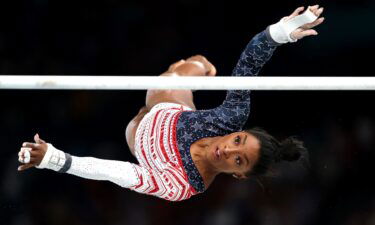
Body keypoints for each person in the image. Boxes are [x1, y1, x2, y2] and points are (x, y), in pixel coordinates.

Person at [18, 5, 325, 201]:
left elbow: (118, 173)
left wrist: (55, 159)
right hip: (168, 104)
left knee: (174, 81)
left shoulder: (181, 185)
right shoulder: (233, 116)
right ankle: (200, 66)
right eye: (238, 141)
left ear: (238, 175)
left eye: (238, 160)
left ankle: (197, 68)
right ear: (238, 131)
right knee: (179, 74)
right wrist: (281, 33)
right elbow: (248, 64)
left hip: (137, 134)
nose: (229, 149)